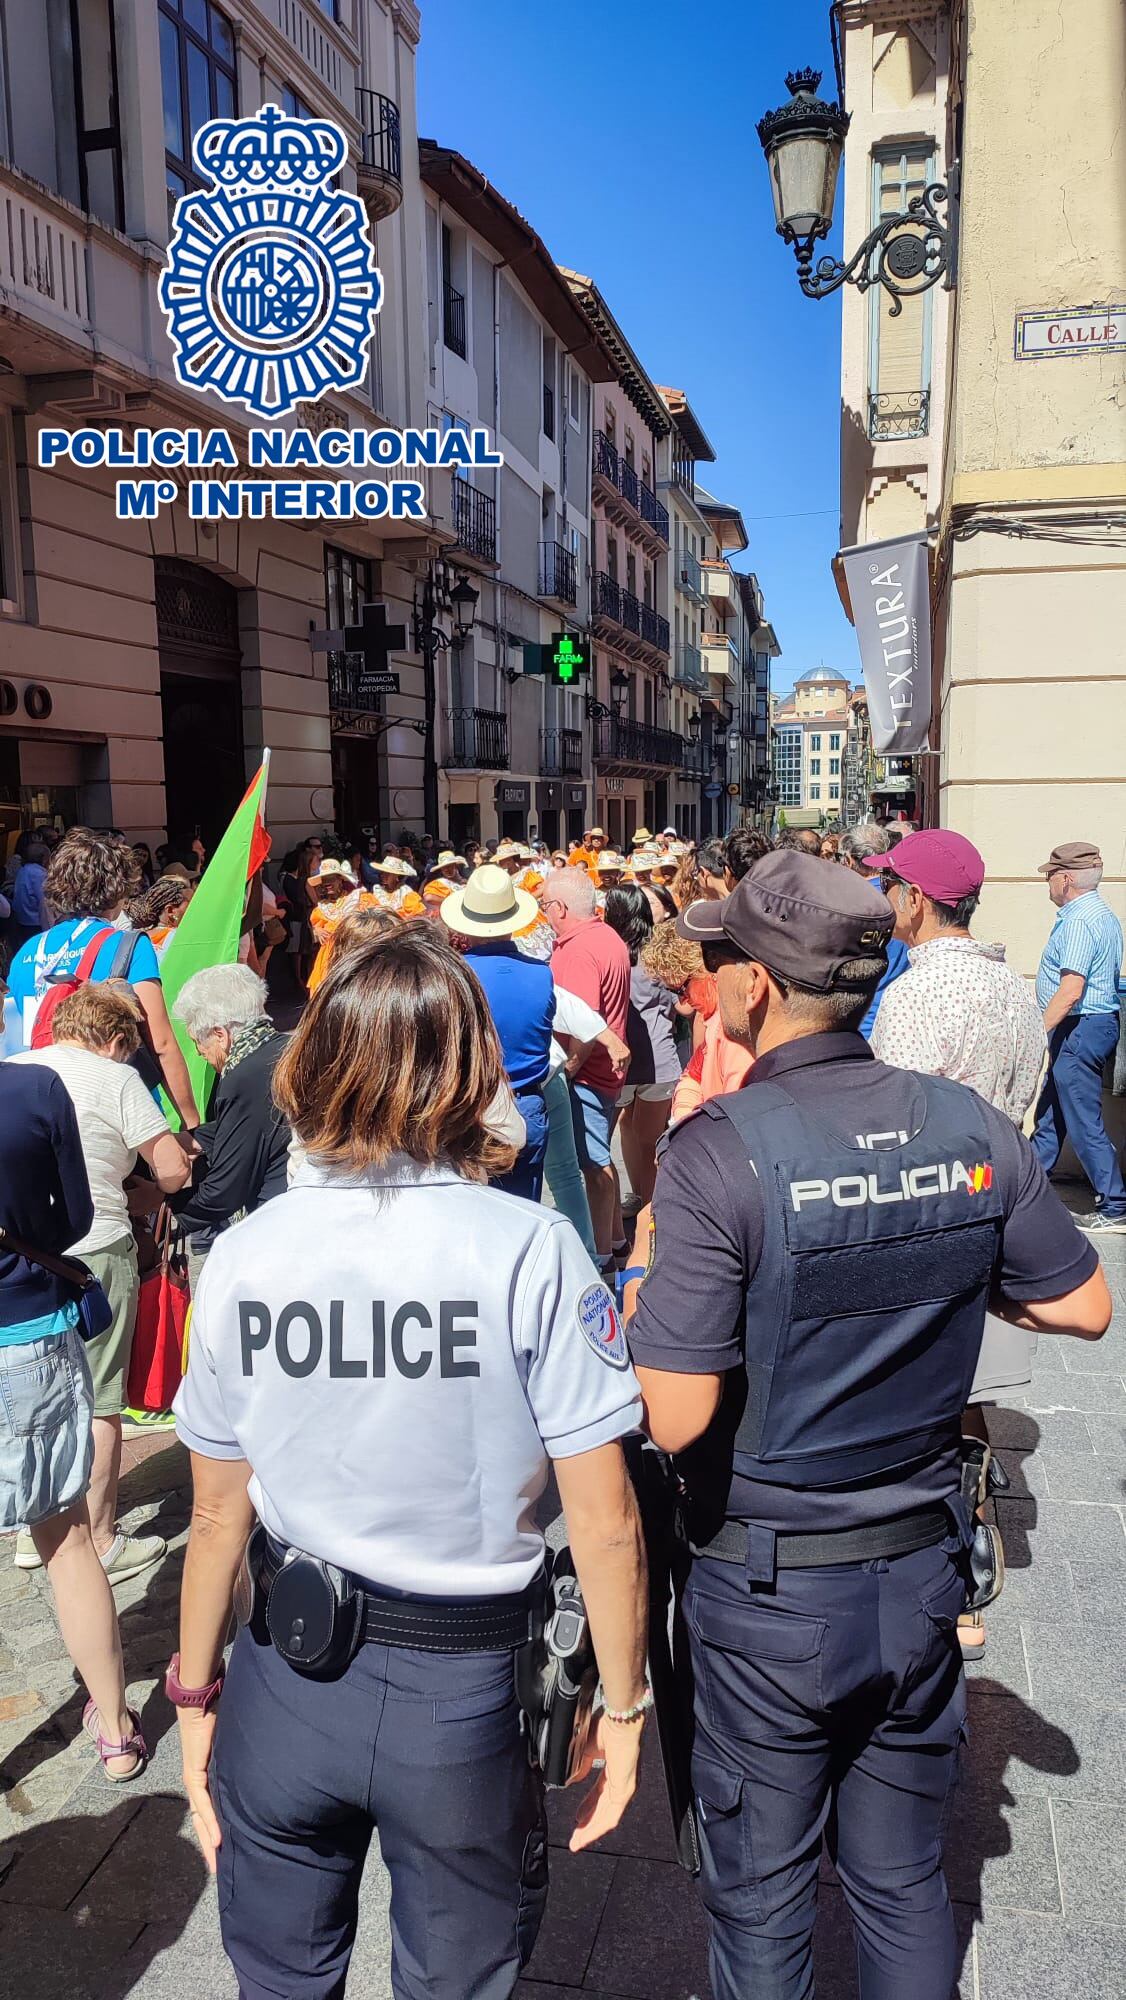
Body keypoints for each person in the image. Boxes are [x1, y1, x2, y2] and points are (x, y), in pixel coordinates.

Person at [622, 852, 1111, 2000]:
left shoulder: (719, 1148)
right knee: (900, 1885)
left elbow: (677, 1413)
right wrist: (943, 1266)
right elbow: (1082, 1301)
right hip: (917, 1572)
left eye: (722, 956)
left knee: (765, 1897)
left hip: (770, 1588)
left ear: (750, 985)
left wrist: (648, 1256)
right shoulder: (962, 1118)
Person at [169, 925, 650, 1999]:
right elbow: (606, 1520)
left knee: (280, 1977)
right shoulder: (528, 1248)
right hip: (463, 1689)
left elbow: (214, 1518)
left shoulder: (249, 1251)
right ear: (471, 1066)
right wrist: (622, 1707)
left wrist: (194, 1694)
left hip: (287, 1679)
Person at [867, 828, 1050, 1655]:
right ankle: (971, 1544)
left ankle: (956, 1575)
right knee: (956, 1389)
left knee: (915, 1401)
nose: (884, 902)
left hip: (925, 1221)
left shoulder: (916, 995)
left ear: (916, 899)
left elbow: (885, 1128)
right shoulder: (1012, 988)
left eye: (890, 888)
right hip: (996, 1214)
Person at [11, 982, 192, 1578]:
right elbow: (171, 1170)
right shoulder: (115, 1078)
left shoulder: (15, 1067)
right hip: (93, 1247)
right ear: (116, 1040)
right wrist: (148, 1188)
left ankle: (29, 1528)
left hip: (19, 1252)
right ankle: (104, 1538)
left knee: (34, 1384)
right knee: (98, 1394)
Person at [0, 1060, 147, 1781]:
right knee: (66, 1540)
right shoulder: (32, 1090)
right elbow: (77, 1221)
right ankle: (116, 1732)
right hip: (28, 1333)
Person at [6, 828, 200, 1126]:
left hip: (49, 1110)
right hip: (121, 1110)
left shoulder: (28, 952)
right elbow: (160, 1043)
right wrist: (191, 1124)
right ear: (118, 887)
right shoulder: (127, 945)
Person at [169, 965, 292, 1287]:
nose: (200, 1053)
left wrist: (173, 1214)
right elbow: (253, 1126)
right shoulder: (280, 1050)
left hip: (277, 1227)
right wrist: (189, 1139)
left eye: (199, 1043)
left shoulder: (244, 1076)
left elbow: (229, 1184)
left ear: (221, 1034)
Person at [441, 865, 554, 1202]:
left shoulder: (454, 976)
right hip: (526, 1104)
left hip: (471, 1108)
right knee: (524, 1213)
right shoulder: (541, 973)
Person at [1031, 839, 1126, 1233]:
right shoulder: (1100, 914)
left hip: (1080, 1028)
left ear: (1066, 879)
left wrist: (1035, 1034)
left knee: (1082, 1119)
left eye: (1051, 876)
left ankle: (1115, 1205)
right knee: (1052, 1113)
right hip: (1089, 1026)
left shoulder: (1079, 922)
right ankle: (1030, 1184)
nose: (1048, 883)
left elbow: (1070, 991)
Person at [543, 870, 630, 1268]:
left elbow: (583, 1022)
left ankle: (601, 1256)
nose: (544, 912)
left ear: (560, 908)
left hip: (588, 1076)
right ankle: (613, 1241)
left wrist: (569, 1070)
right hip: (604, 1075)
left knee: (594, 1165)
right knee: (601, 1162)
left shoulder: (578, 951)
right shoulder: (606, 936)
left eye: (546, 905)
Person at [604, 886, 681, 1209]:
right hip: (661, 1063)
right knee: (650, 1141)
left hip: (617, 1064)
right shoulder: (661, 954)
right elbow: (681, 1008)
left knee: (609, 1145)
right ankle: (653, 1207)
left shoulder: (609, 953)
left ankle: (635, 1204)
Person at [838, 821, 910, 1036]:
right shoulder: (908, 899)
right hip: (903, 1020)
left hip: (859, 1025)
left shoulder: (844, 905)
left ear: (850, 861)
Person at [306, 859, 380, 995]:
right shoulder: (321, 908)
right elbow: (315, 932)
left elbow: (376, 920)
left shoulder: (358, 899)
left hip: (352, 951)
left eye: (331, 879)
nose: (327, 883)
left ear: (340, 880)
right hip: (328, 958)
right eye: (324, 880)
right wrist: (317, 930)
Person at [126, 875, 194, 961]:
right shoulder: (179, 939)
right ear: (170, 910)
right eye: (192, 903)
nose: (196, 908)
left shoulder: (136, 937)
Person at [6, 837, 50, 949]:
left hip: (22, 918)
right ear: (44, 859)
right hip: (35, 921)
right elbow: (43, 900)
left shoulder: (23, 870)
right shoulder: (39, 874)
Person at [369, 853, 426, 918]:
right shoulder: (377, 889)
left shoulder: (405, 892)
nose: (382, 875)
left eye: (387, 873)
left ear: (396, 875)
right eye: (382, 872)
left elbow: (416, 915)